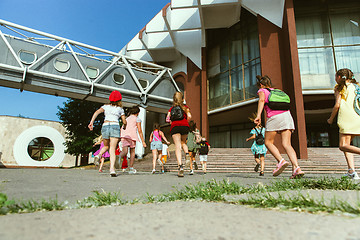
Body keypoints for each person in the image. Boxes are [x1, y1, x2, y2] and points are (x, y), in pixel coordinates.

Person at [254, 75, 304, 179]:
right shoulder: (278, 91)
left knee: (268, 142)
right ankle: (297, 168)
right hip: (287, 116)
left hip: (274, 117)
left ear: (261, 85)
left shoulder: (262, 90)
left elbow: (262, 101)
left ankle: (281, 161)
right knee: (287, 144)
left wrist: (258, 115)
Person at [327, 68, 360, 180]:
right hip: (357, 116)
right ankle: (351, 171)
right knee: (347, 146)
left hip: (346, 118)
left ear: (339, 77)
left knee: (342, 146)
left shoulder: (339, 88)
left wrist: (331, 119)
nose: (335, 79)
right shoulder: (357, 86)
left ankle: (352, 171)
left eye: (336, 77)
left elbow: (337, 105)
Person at [88, 90, 127, 177]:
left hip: (105, 126)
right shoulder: (120, 109)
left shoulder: (105, 106)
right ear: (119, 100)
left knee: (106, 146)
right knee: (112, 149)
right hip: (114, 126)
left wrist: (91, 122)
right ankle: (112, 170)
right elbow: (124, 121)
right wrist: (124, 126)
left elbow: (96, 112)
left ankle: (99, 155)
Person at [166, 91, 191, 177]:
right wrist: (186, 121)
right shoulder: (185, 107)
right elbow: (190, 116)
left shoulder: (171, 108)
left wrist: (171, 122)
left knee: (177, 146)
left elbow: (167, 119)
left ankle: (180, 167)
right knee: (183, 142)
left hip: (175, 126)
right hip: (184, 126)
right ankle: (187, 154)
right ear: (182, 99)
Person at [119, 105, 146, 174]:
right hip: (132, 136)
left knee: (124, 151)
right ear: (138, 113)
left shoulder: (127, 118)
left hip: (124, 135)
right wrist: (143, 141)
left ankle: (118, 157)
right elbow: (139, 131)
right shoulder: (137, 119)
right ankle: (131, 167)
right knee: (132, 152)